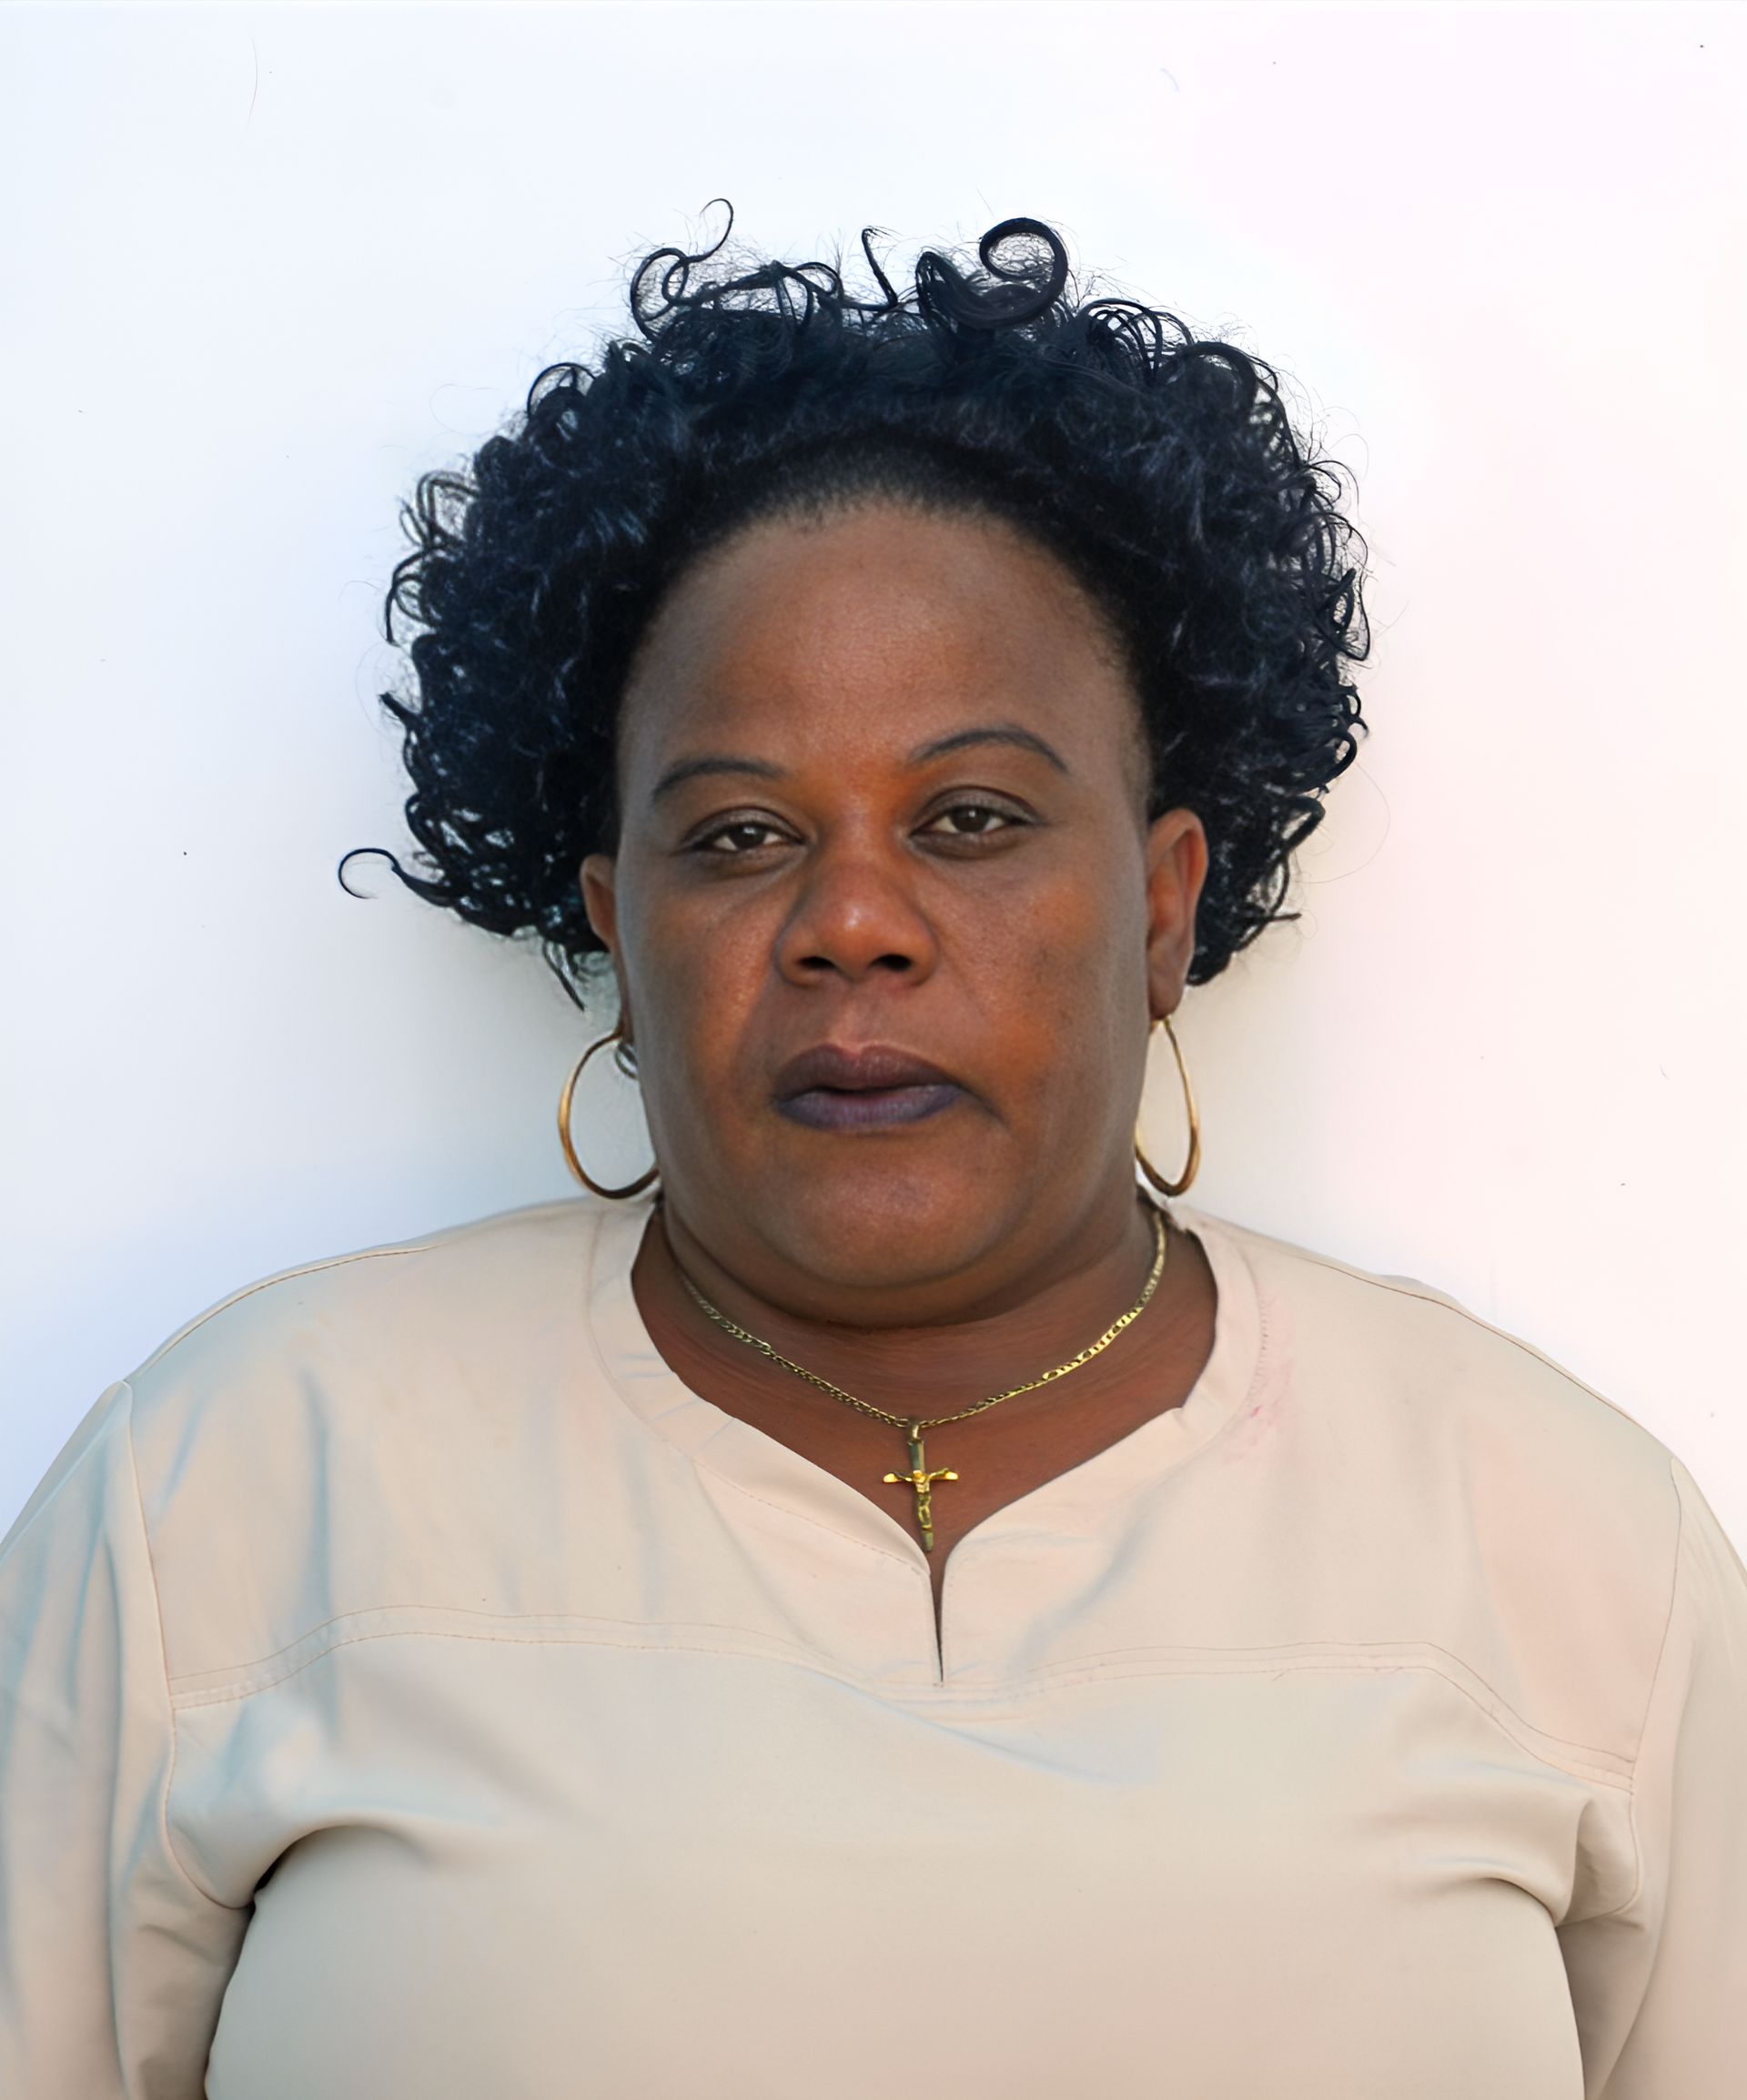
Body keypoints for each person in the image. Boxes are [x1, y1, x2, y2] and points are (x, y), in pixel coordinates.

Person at [1, 215, 1742, 2100]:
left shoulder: (1563, 1540)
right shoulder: (231, 1491)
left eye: (973, 816)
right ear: (617, 924)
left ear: (1164, 907)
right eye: (741, 835)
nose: (853, 921)